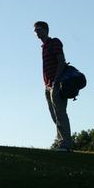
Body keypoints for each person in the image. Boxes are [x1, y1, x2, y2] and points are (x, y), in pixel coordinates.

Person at [33, 21, 73, 152]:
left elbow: (61, 60)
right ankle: (62, 142)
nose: (37, 32)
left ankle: (66, 145)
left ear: (45, 29)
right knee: (54, 116)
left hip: (56, 84)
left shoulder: (54, 42)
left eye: (38, 29)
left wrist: (56, 81)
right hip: (48, 85)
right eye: (35, 30)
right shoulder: (43, 47)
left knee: (60, 113)